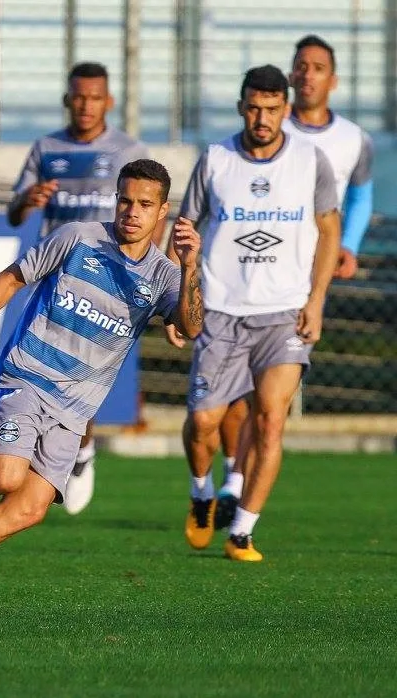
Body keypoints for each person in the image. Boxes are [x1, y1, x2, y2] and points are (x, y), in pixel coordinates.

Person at [0, 159, 201, 603]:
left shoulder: (164, 276)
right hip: (27, 378)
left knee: (27, 509)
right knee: (6, 477)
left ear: (163, 212)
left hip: (75, 410)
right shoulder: (77, 238)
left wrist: (190, 264)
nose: (131, 212)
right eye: (124, 200)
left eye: (144, 204)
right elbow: (11, 280)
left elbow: (192, 326)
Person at [192, 35, 376, 528]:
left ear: (331, 79)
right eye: (302, 65)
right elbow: (193, 222)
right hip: (229, 299)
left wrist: (345, 252)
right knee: (225, 409)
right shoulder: (227, 153)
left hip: (293, 291)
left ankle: (241, 523)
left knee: (271, 411)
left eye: (319, 67)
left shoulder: (349, 141)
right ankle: (228, 479)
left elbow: (351, 205)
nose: (309, 73)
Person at [176, 65, 340, 561]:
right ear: (241, 107)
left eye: (272, 109)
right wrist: (175, 302)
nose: (262, 117)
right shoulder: (216, 159)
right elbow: (183, 229)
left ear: (286, 110)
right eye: (254, 107)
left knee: (270, 420)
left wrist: (316, 301)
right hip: (221, 312)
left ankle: (242, 531)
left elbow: (328, 232)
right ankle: (202, 491)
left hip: (285, 314)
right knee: (204, 421)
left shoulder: (311, 161)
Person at [6, 61, 150, 515]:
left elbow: (148, 216)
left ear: (108, 101)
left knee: (79, 379)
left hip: (104, 285)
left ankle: (80, 452)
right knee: (40, 373)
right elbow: (14, 212)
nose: (86, 105)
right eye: (78, 97)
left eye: (95, 97)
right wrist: (27, 200)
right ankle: (61, 455)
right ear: (67, 100)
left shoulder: (128, 150)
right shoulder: (47, 148)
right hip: (52, 283)